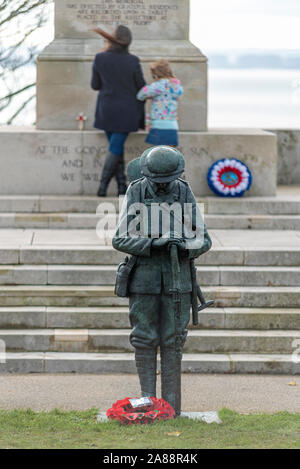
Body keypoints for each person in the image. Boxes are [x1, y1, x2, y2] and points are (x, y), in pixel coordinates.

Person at [112, 146, 212, 414]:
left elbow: (204, 239)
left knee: (173, 339)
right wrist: (156, 242)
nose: (163, 186)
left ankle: (170, 406)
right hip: (143, 279)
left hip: (177, 280)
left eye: (167, 180)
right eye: (158, 181)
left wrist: (184, 246)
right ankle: (148, 402)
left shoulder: (183, 191)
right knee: (144, 338)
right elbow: (120, 239)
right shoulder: (137, 190)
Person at [91, 25, 146, 196]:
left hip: (106, 110)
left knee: (116, 148)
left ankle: (120, 186)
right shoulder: (133, 60)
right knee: (116, 148)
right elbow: (141, 87)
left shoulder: (100, 58)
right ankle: (106, 187)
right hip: (127, 112)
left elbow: (95, 85)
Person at [137, 59, 183, 147]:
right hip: (173, 125)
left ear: (156, 74)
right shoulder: (176, 85)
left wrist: (151, 96)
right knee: (169, 153)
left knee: (157, 154)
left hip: (159, 124)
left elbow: (140, 95)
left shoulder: (158, 85)